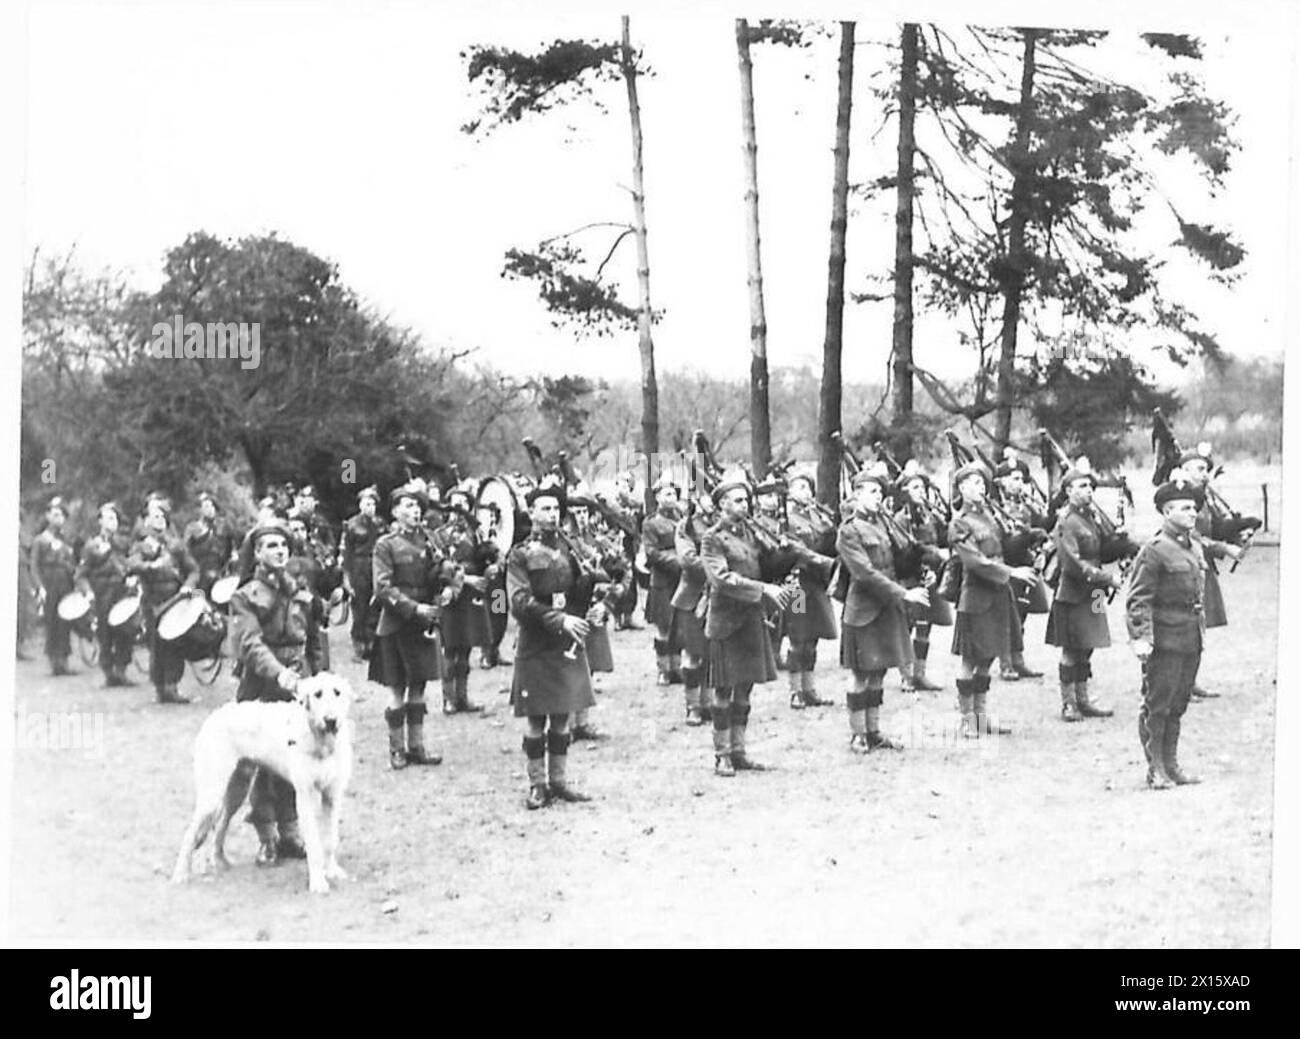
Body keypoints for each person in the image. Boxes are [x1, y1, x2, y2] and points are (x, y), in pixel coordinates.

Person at [228, 518, 329, 863]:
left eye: (283, 545)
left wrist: (319, 677)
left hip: (299, 688)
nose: (280, 550)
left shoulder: (299, 591)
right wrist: (280, 674)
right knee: (259, 761)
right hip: (261, 686)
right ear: (257, 553)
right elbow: (251, 645)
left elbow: (313, 638)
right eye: (271, 546)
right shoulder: (245, 596)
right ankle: (266, 836)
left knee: (296, 757)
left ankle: (291, 831)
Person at [507, 484, 597, 808]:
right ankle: (537, 785)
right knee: (536, 717)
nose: (551, 514)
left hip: (567, 640)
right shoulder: (520, 554)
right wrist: (560, 620)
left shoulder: (570, 549)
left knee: (561, 713)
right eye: (544, 509)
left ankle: (559, 782)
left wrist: (595, 602)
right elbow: (518, 601)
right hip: (537, 640)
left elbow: (586, 584)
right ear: (532, 513)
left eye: (555, 509)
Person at [700, 476, 792, 776]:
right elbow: (721, 579)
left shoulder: (752, 534)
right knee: (724, 691)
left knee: (746, 689)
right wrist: (763, 589)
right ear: (722, 505)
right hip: (727, 622)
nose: (745, 505)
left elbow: (766, 565)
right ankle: (722, 754)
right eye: (738, 500)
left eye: (745, 499)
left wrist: (786, 555)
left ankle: (739, 751)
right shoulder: (712, 538)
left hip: (752, 618)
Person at [836, 472, 931, 752]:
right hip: (863, 608)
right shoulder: (849, 530)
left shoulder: (884, 524)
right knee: (860, 673)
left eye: (880, 492)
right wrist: (903, 593)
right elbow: (864, 573)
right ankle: (857, 734)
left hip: (887, 607)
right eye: (872, 492)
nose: (878, 497)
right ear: (856, 495)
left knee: (878, 672)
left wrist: (924, 564)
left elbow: (899, 559)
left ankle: (873, 731)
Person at [1126, 478, 1208, 789]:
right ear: (1166, 511)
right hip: (1164, 640)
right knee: (1157, 704)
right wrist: (1142, 637)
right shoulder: (1155, 550)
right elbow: (1138, 599)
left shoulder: (1193, 547)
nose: (1193, 513)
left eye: (1194, 507)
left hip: (1190, 637)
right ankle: (1155, 768)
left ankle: (1172, 765)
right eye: (1185, 508)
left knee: (1178, 704)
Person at [948, 463, 1038, 738]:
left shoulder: (990, 516)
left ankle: (981, 717)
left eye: (982, 482)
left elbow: (1005, 547)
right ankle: (966, 720)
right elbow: (975, 562)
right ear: (961, 488)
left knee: (988, 659)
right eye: (973, 483)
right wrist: (1012, 572)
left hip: (998, 595)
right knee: (970, 659)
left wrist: (1029, 537)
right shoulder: (959, 523)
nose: (980, 487)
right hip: (975, 597)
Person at [371, 484, 447, 769]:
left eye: (417, 506)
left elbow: (439, 574)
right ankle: (396, 749)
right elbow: (382, 588)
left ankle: (416, 747)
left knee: (419, 686)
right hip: (397, 623)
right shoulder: (385, 545)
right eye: (407, 506)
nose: (414, 511)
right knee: (396, 689)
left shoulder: (430, 542)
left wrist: (448, 584)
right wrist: (414, 609)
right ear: (394, 512)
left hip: (424, 622)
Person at [1046, 468, 1121, 722]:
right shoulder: (1066, 521)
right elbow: (1072, 563)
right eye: (1080, 486)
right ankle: (1069, 704)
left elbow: (1102, 550)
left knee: (1090, 644)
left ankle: (1083, 698)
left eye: (1089, 486)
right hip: (1073, 593)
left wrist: (1123, 544)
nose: (1087, 490)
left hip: (1096, 594)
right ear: (1068, 491)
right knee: (1071, 647)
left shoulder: (1092, 517)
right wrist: (1107, 577)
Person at [1177, 447, 1245, 701]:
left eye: (1206, 469)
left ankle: (1190, 681)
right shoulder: (1178, 498)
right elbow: (1192, 536)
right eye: (1200, 469)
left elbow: (1212, 528)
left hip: (1202, 566)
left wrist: (1238, 528)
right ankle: (1179, 684)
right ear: (1184, 471)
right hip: (1183, 568)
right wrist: (1224, 547)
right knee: (1185, 627)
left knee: (1199, 627)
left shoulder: (1203, 498)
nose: (1205, 474)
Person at [127, 496, 200, 703]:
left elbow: (193, 569)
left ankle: (172, 686)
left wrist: (188, 586)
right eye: (154, 516)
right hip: (153, 601)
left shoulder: (176, 545)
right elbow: (131, 563)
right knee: (156, 645)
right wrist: (152, 566)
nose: (159, 520)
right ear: (147, 521)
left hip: (176, 599)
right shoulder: (142, 546)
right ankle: (160, 687)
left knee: (175, 643)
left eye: (162, 516)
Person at [782, 474, 838, 709]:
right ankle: (796, 691)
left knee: (813, 637)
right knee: (798, 637)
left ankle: (809, 688)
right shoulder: (786, 519)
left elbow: (829, 538)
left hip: (817, 583)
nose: (804, 491)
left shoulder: (816, 515)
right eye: (798, 487)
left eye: (806, 487)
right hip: (796, 584)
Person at [892, 468, 948, 692]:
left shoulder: (929, 515)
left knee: (926, 625)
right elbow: (905, 551)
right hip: (909, 578)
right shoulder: (900, 518)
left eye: (922, 487)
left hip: (927, 577)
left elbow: (940, 539)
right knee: (907, 626)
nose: (921, 491)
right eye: (915, 487)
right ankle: (906, 675)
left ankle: (919, 674)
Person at [438, 491, 493, 715]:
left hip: (471, 599)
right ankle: (448, 699)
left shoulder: (476, 533)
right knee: (450, 650)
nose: (458, 508)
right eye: (454, 504)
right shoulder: (439, 535)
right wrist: (465, 579)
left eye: (462, 503)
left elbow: (484, 558)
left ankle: (463, 697)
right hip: (451, 596)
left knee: (466, 649)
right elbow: (438, 567)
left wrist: (490, 565)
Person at [994, 457, 1047, 681]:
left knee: (1022, 614)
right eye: (1013, 478)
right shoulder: (996, 507)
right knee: (1007, 616)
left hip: (1025, 564)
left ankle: (1018, 660)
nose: (1019, 483)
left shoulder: (1026, 504)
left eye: (1021, 479)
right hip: (1006, 564)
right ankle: (1005, 663)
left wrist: (1040, 551)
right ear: (1001, 481)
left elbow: (1043, 526)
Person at [74, 501, 135, 687]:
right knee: (105, 634)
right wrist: (88, 592)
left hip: (122, 593)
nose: (112, 522)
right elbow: (80, 575)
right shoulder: (92, 546)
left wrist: (133, 579)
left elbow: (133, 564)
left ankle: (122, 670)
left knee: (126, 632)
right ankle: (109, 673)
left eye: (114, 518)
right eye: (108, 518)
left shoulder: (124, 544)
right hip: (102, 595)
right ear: (100, 521)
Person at [670, 493, 716, 726]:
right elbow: (687, 560)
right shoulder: (685, 527)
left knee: (711, 652)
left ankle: (708, 704)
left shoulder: (719, 523)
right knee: (693, 653)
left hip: (718, 597)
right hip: (692, 597)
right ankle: (693, 706)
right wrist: (717, 570)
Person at [642, 477, 684, 685]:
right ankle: (663, 669)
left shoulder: (684, 520)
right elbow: (651, 553)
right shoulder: (651, 523)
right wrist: (677, 560)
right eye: (667, 494)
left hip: (682, 580)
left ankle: (676, 667)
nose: (671, 498)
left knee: (679, 625)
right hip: (662, 580)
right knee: (663, 626)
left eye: (674, 494)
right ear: (658, 497)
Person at [30, 496, 79, 676]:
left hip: (64, 584)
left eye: (62, 516)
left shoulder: (67, 541)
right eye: (55, 514)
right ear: (48, 516)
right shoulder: (40, 540)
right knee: (52, 622)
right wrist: (39, 587)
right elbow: (34, 566)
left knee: (65, 621)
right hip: (49, 584)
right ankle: (54, 662)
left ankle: (64, 660)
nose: (59, 519)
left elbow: (73, 564)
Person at [339, 485, 386, 662]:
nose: (370, 507)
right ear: (360, 505)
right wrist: (346, 578)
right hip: (358, 568)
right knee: (360, 607)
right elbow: (346, 553)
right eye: (366, 503)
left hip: (377, 565)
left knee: (376, 606)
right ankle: (358, 646)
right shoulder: (351, 525)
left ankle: (372, 644)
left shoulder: (380, 524)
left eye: (373, 504)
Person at [182, 491, 237, 597]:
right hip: (200, 575)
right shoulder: (192, 528)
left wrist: (233, 556)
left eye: (212, 506)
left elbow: (232, 546)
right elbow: (185, 552)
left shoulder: (224, 525)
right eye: (206, 506)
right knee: (199, 600)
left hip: (222, 574)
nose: (211, 509)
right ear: (200, 510)